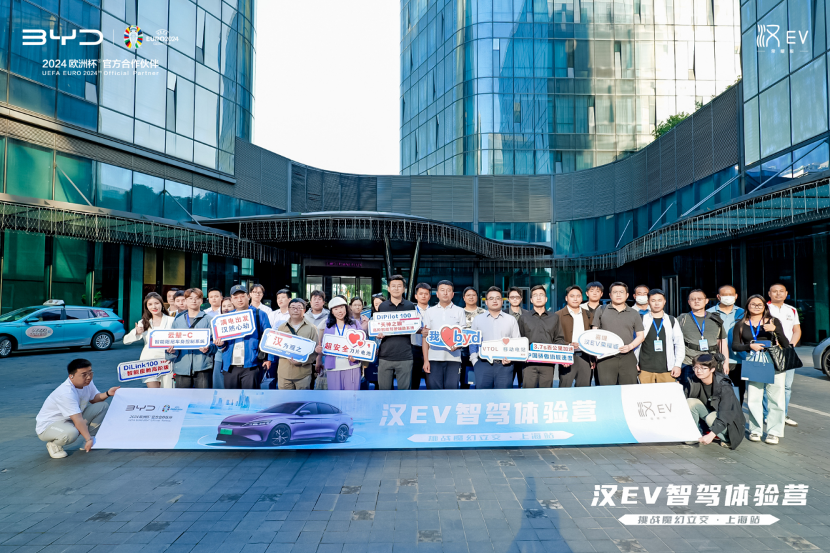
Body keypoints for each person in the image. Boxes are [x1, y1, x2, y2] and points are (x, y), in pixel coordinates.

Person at [732, 295, 790, 445]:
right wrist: (749, 346)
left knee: (776, 399)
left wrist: (776, 330)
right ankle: (755, 430)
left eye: (760, 304)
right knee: (753, 398)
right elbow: (735, 346)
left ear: (765, 307)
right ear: (747, 306)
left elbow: (785, 344)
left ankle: (773, 432)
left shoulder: (773, 321)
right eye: (753, 304)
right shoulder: (740, 324)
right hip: (753, 360)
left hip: (773, 360)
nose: (756, 307)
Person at [36, 359, 119, 459]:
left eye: (90, 373)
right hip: (48, 426)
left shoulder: (87, 383)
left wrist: (108, 393)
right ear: (71, 376)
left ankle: (90, 440)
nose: (89, 377)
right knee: (71, 433)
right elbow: (78, 419)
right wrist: (87, 439)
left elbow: (94, 399)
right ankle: (54, 444)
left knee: (102, 406)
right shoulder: (66, 393)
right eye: (84, 374)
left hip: (69, 420)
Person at [682, 353, 746, 450]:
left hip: (730, 423)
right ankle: (695, 434)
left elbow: (726, 414)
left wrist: (711, 435)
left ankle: (726, 439)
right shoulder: (693, 380)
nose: (698, 371)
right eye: (696, 367)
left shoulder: (724, 385)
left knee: (711, 417)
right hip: (711, 415)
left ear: (712, 369)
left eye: (703, 368)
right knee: (690, 402)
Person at [216, 285, 271, 390]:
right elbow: (222, 342)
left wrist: (268, 359)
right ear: (231, 300)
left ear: (248, 296)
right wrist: (220, 344)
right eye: (236, 297)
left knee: (250, 397)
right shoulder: (226, 317)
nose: (239, 300)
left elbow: (268, 337)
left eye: (242, 296)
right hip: (230, 365)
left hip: (252, 364)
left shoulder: (259, 314)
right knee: (231, 398)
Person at [592, 282, 645, 385]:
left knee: (628, 390)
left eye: (621, 292)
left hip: (627, 356)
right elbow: (594, 333)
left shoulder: (634, 313)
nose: (618, 294)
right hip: (606, 357)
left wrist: (630, 346)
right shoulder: (601, 310)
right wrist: (596, 353)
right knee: (607, 390)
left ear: (627, 295)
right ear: (610, 295)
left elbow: (641, 336)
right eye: (615, 292)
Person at [470, 286, 521, 389]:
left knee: (504, 397)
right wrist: (475, 361)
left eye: (498, 298)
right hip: (482, 364)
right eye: (491, 298)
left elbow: (517, 342)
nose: (494, 301)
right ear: (486, 302)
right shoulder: (478, 320)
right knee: (483, 396)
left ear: (502, 301)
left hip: (504, 366)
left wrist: (511, 358)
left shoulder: (511, 320)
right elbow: (472, 342)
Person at [765, 283, 801, 427]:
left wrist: (791, 345)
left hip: (787, 351)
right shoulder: (764, 308)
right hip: (769, 351)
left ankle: (783, 414)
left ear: (786, 294)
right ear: (769, 294)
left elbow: (797, 330)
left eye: (781, 291)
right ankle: (767, 415)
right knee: (768, 384)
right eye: (775, 291)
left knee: (786, 386)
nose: (778, 294)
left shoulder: (791, 310)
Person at [166, 288, 215, 388]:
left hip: (203, 366)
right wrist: (171, 351)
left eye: (197, 298)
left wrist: (208, 347)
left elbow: (214, 343)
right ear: (186, 300)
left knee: (203, 396)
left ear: (201, 301)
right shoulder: (178, 320)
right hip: (182, 366)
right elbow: (171, 340)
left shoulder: (209, 320)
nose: (194, 301)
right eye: (190, 298)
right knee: (182, 396)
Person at [123, 292, 174, 389]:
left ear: (161, 304)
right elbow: (126, 340)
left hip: (167, 361)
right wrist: (137, 332)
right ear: (146, 307)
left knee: (167, 392)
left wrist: (174, 347)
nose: (154, 307)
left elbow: (179, 339)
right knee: (153, 393)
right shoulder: (143, 322)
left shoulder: (172, 320)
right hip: (149, 361)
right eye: (150, 304)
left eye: (156, 303)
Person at [421, 280, 466, 389]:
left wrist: (458, 345)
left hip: (454, 359)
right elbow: (425, 338)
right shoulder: (429, 312)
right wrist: (426, 360)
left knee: (452, 391)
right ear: (437, 294)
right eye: (442, 290)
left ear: (452, 294)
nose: (445, 293)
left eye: (448, 290)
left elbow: (463, 336)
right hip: (433, 358)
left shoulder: (460, 311)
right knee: (434, 391)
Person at [518, 285, 565, 388]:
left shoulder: (554, 317)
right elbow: (519, 339)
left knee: (546, 393)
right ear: (531, 300)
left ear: (546, 299)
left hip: (548, 363)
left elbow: (559, 339)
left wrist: (562, 356)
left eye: (541, 295)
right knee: (528, 393)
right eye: (535, 295)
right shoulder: (523, 318)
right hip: (529, 363)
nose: (538, 298)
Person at [376, 276, 417, 390]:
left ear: (404, 289)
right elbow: (377, 327)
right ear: (388, 289)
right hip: (385, 356)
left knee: (404, 393)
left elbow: (414, 326)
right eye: (393, 286)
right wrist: (378, 333)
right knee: (384, 392)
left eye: (399, 286)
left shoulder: (410, 306)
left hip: (405, 356)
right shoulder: (383, 306)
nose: (396, 288)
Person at [708, 285, 746, 403]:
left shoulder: (743, 313)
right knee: (717, 390)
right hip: (717, 359)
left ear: (736, 296)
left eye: (731, 295)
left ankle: (737, 413)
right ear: (718, 297)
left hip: (739, 358)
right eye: (724, 295)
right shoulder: (709, 313)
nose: (728, 297)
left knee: (738, 391)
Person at [636, 289, 684, 383]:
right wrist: (635, 362)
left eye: (659, 300)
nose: (656, 303)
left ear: (664, 301)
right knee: (645, 393)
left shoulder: (672, 320)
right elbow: (635, 342)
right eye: (653, 300)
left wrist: (677, 365)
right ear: (648, 302)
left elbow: (679, 344)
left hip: (667, 369)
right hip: (644, 369)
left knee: (667, 393)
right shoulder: (641, 319)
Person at [678, 290, 728, 375]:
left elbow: (721, 342)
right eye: (693, 299)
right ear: (689, 302)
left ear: (706, 301)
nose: (696, 301)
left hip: (711, 363)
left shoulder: (715, 319)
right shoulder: (682, 319)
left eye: (700, 299)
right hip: (689, 363)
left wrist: (726, 362)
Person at [316, 297, 362, 390]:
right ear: (332, 312)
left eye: (341, 307)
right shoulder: (326, 324)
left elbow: (362, 344)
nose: (339, 311)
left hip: (352, 366)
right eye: (336, 309)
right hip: (333, 367)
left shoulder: (355, 323)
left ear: (346, 308)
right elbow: (320, 344)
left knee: (352, 395)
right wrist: (319, 351)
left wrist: (357, 357)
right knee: (335, 396)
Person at [273, 298, 319, 390]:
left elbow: (315, 351)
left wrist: (302, 361)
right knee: (285, 399)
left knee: (302, 398)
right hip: (284, 373)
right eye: (293, 307)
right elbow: (276, 348)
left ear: (304, 310)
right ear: (288, 310)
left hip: (303, 374)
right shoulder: (281, 328)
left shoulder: (312, 328)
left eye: (299, 307)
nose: (295, 310)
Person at [555, 285, 594, 388]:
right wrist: (567, 346)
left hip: (585, 357)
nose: (575, 299)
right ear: (566, 298)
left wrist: (592, 358)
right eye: (572, 296)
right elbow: (555, 338)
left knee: (584, 388)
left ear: (581, 298)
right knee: (565, 387)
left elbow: (592, 336)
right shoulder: (558, 315)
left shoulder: (588, 315)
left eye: (578, 296)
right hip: (567, 356)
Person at [461, 287, 485, 389]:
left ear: (477, 297)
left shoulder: (484, 312)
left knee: (479, 379)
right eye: (468, 295)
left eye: (473, 295)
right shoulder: (459, 312)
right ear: (464, 298)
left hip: (479, 349)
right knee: (464, 379)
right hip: (462, 350)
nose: (471, 297)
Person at [361, 294, 386, 390]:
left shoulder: (391, 318)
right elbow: (371, 337)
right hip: (375, 352)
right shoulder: (371, 319)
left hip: (388, 352)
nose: (378, 306)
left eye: (380, 303)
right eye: (376, 304)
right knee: (374, 377)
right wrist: (375, 348)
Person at [411, 282, 432, 390]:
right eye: (421, 293)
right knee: (414, 379)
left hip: (431, 349)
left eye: (426, 294)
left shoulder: (434, 311)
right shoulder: (410, 312)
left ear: (429, 296)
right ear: (416, 296)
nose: (423, 296)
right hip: (414, 348)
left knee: (430, 379)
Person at [506, 287, 528, 388]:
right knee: (507, 384)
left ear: (521, 298)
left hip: (523, 353)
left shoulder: (528, 314)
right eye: (512, 297)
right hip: (508, 353)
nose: (515, 299)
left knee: (523, 384)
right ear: (508, 299)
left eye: (517, 297)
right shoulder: (503, 314)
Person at [212, 297, 233, 390]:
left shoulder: (241, 323)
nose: (226, 308)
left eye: (229, 306)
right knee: (219, 387)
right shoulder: (216, 322)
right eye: (223, 306)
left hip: (234, 360)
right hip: (219, 358)